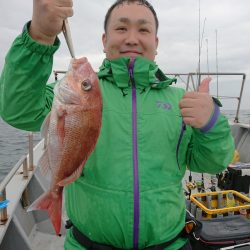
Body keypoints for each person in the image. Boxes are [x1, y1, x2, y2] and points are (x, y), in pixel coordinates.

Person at [0, 0, 234, 249]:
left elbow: (212, 163)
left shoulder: (181, 101)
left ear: (156, 43)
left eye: (143, 30)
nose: (132, 38)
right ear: (104, 40)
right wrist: (40, 37)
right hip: (87, 244)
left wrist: (212, 124)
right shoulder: (78, 92)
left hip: (170, 244)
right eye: (121, 29)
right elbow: (18, 109)